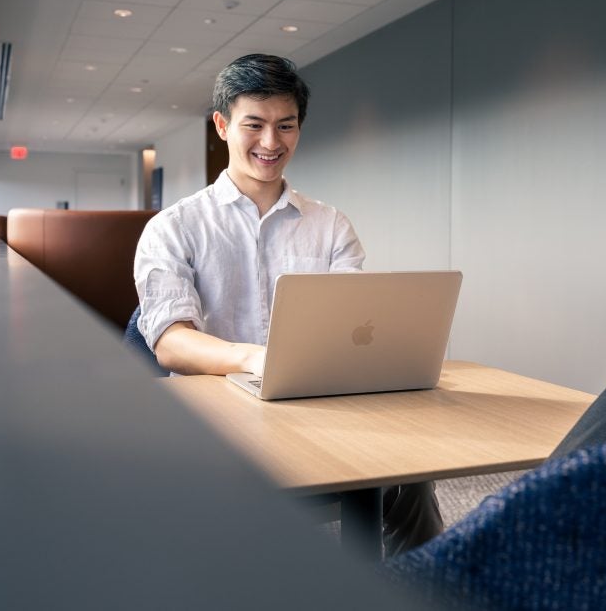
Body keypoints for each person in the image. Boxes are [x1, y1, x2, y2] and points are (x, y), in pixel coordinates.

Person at [133, 53, 442, 556]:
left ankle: (426, 591)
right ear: (222, 125)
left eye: (286, 126)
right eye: (254, 125)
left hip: (317, 409)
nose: (271, 143)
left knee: (412, 477)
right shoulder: (173, 228)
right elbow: (170, 342)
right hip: (218, 424)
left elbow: (355, 325)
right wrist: (255, 358)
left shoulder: (330, 224)